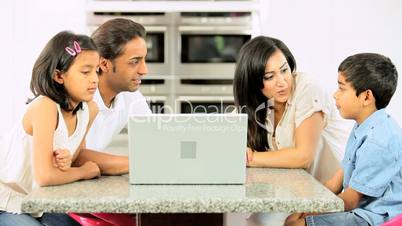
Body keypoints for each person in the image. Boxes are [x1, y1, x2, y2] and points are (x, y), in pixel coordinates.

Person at [233, 36, 351, 225]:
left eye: (284, 70)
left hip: (333, 195)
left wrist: (251, 158)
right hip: (298, 193)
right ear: (254, 82)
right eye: (269, 77)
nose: (282, 82)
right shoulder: (262, 106)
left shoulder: (308, 88)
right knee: (256, 219)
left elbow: (303, 156)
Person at [285, 53, 402, 226]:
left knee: (294, 224)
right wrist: (305, 208)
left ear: (366, 97)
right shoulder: (363, 126)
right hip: (358, 209)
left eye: (342, 88)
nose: (335, 94)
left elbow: (350, 201)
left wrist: (310, 213)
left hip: (373, 218)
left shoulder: (378, 141)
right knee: (293, 218)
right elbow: (335, 182)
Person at [0, 31, 101, 225]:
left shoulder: (89, 111)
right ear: (58, 76)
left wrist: (65, 163)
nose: (95, 79)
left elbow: (74, 159)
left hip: (40, 203)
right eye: (85, 72)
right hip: (7, 201)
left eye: (96, 70)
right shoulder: (44, 106)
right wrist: (85, 172)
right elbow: (46, 177)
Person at [86, 18, 151, 153]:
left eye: (144, 59)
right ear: (104, 64)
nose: (144, 70)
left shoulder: (131, 96)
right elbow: (77, 157)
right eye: (134, 61)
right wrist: (140, 162)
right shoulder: (78, 97)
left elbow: (153, 138)